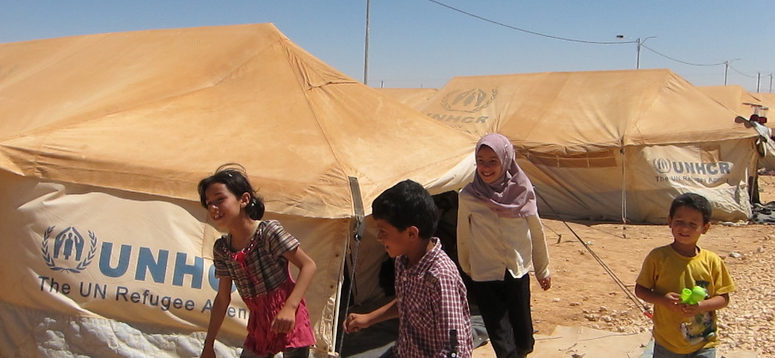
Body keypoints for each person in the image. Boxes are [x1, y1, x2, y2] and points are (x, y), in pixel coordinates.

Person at [343, 179, 474, 358]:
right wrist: (369, 318)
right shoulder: (403, 261)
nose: (379, 237)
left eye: (383, 231)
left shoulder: (440, 278)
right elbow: (407, 302)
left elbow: (454, 349)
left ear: (411, 233)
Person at [198, 164, 317, 358]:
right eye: (209, 203)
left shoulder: (268, 232)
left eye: (220, 199)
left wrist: (290, 307)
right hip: (259, 325)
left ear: (244, 199)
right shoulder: (222, 249)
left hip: (289, 320)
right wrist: (208, 344)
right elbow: (222, 298)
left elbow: (308, 265)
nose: (213, 208)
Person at [456, 133, 551, 358]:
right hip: (484, 272)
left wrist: (542, 269)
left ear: (506, 160)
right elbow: (463, 234)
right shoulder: (468, 196)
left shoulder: (523, 192)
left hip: (516, 271)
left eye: (493, 161)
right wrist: (466, 265)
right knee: (502, 341)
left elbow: (536, 232)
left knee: (524, 339)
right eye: (481, 161)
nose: (486, 168)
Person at [634, 192, 736, 357]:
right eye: (679, 222)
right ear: (670, 221)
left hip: (703, 343)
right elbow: (641, 290)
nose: (685, 228)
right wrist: (663, 300)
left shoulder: (712, 261)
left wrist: (700, 306)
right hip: (667, 343)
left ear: (705, 228)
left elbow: (723, 298)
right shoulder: (658, 257)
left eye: (693, 224)